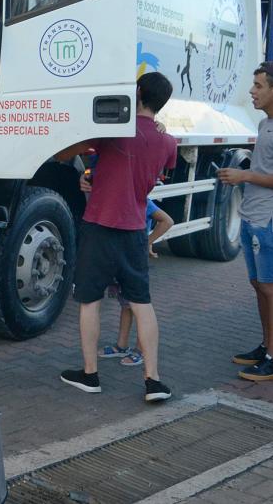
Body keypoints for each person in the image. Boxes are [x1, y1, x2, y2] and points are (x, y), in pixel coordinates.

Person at [55, 72, 177, 402]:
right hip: (136, 229)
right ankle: (153, 380)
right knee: (142, 304)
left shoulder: (114, 131)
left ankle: (90, 374)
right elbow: (147, 177)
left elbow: (66, 153)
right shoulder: (168, 142)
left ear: (137, 92)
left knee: (90, 302)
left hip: (99, 225)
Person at [219, 61, 273, 381]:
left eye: (258, 86)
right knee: (259, 285)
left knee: (271, 286)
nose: (252, 91)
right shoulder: (266, 124)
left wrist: (245, 175)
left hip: (270, 218)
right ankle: (266, 346)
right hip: (252, 215)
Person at [98, 198, 175, 367]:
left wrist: (146, 242)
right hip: (119, 260)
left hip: (133, 261)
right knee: (126, 305)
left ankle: (141, 350)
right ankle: (122, 345)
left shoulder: (141, 200)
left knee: (138, 305)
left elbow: (167, 221)